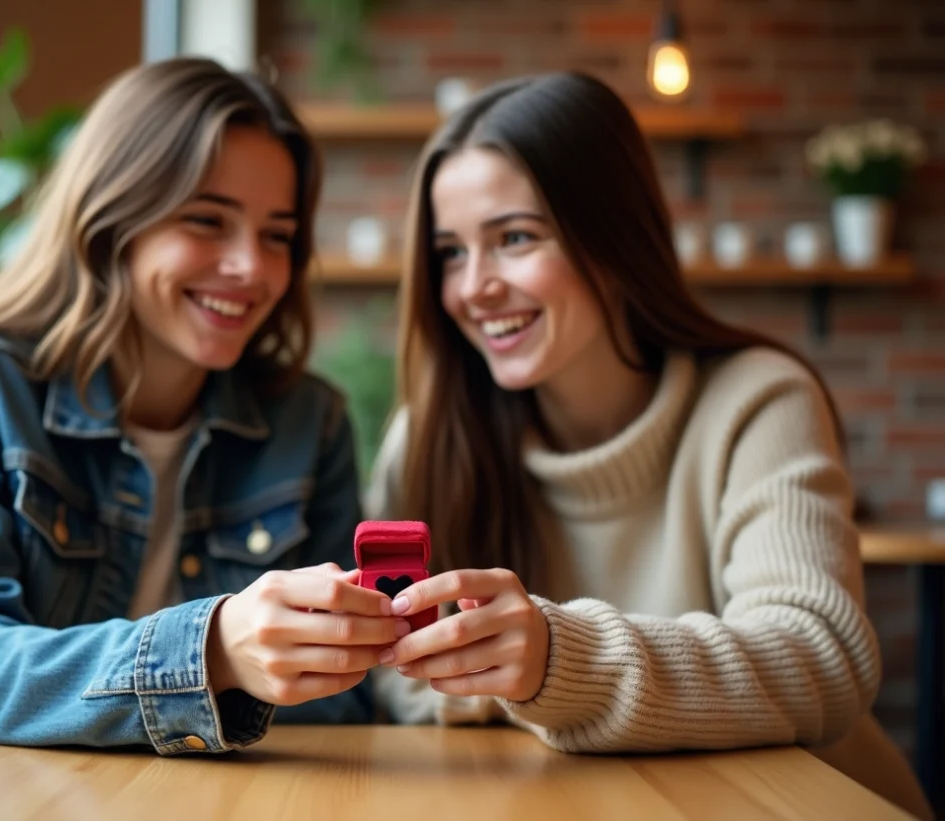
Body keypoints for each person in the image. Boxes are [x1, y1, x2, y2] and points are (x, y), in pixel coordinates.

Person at [0, 58, 405, 821]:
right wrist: (211, 651)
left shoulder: (309, 421)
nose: (249, 266)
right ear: (112, 216)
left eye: (278, 236)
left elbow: (335, 707)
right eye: (206, 219)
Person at [364, 72, 932, 820]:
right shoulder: (432, 432)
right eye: (450, 253)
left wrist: (555, 664)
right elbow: (394, 672)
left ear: (614, 235)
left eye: (514, 238)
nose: (475, 288)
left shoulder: (757, 400)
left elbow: (821, 656)